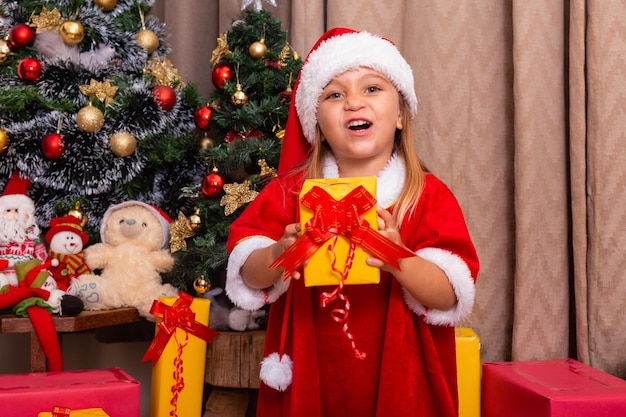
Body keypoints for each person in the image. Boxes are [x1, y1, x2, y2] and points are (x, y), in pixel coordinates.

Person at [225, 27, 479, 417]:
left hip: (401, 372)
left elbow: (450, 295)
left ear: (400, 115)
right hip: (311, 370)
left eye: (372, 89)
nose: (354, 103)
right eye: (335, 94)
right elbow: (248, 276)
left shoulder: (427, 196)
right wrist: (279, 253)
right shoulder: (290, 193)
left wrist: (398, 258)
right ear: (317, 124)